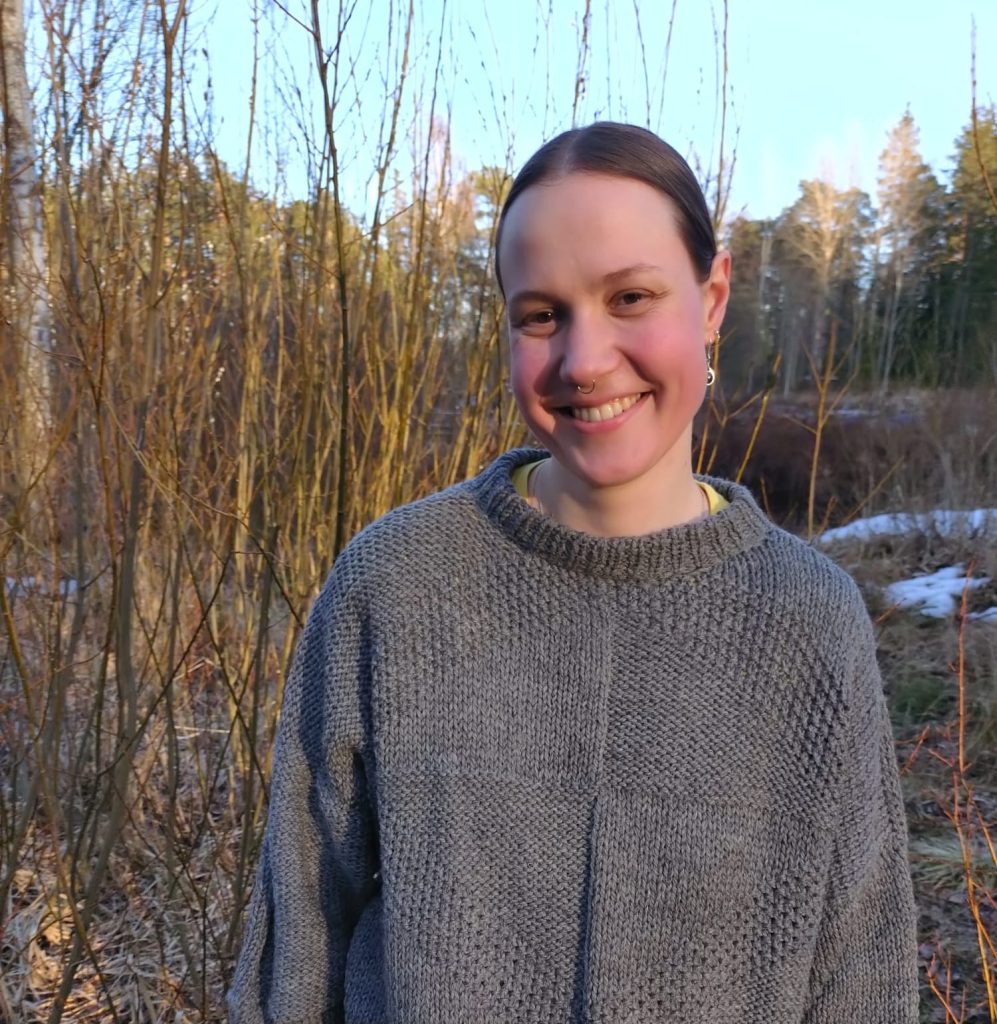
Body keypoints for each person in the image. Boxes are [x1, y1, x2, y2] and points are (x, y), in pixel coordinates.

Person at [227, 122, 919, 1024]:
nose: (583, 361)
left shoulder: (807, 618)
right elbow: (299, 939)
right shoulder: (396, 585)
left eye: (630, 296)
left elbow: (859, 967)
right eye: (540, 315)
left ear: (711, 298)